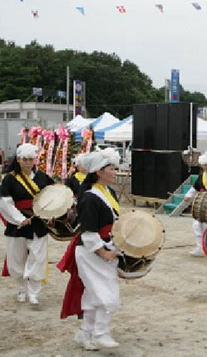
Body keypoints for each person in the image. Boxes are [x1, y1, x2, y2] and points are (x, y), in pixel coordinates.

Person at [57, 149, 121, 350]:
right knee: (106, 293)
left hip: (104, 248)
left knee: (94, 295)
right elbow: (88, 232)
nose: (115, 172)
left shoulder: (107, 192)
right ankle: (101, 333)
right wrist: (104, 252)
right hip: (91, 252)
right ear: (100, 171)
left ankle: (85, 333)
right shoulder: (89, 198)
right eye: (112, 168)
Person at [0, 143, 54, 305]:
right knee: (17, 259)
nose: (28, 163)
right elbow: (5, 202)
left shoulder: (43, 177)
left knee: (38, 258)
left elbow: (53, 196)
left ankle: (34, 293)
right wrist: (19, 219)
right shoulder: (9, 179)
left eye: (31, 159)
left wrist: (51, 214)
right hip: (18, 224)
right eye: (25, 159)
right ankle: (22, 289)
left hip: (38, 222)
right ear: (18, 159)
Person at [184, 152, 207, 257]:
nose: (204, 167)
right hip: (201, 205)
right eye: (202, 165)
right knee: (196, 225)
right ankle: (200, 247)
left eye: (206, 165)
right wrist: (188, 195)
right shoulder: (202, 175)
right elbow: (195, 188)